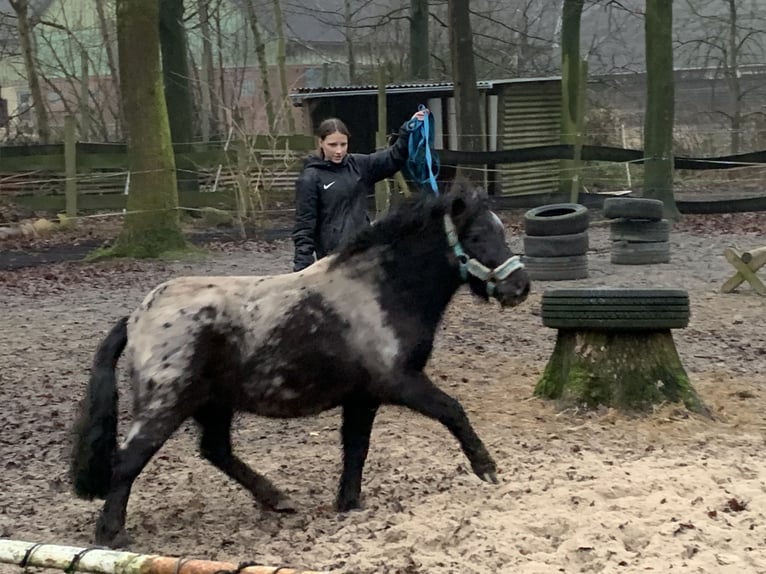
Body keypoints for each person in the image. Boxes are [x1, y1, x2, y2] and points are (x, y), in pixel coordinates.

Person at [292, 109, 427, 272]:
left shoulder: (358, 165)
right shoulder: (310, 178)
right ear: (320, 142)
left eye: (343, 144)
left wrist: (408, 130)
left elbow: (393, 157)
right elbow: (304, 225)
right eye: (332, 145)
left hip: (365, 252)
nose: (339, 151)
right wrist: (302, 268)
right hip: (334, 260)